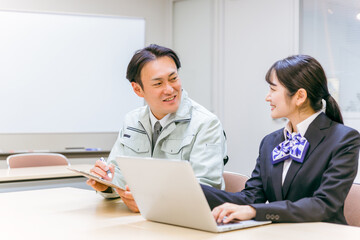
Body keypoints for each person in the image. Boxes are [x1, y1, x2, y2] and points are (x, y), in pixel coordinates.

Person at [201, 55, 360, 225]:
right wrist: (195, 190)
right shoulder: (270, 142)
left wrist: (255, 211)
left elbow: (323, 205)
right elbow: (251, 198)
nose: (267, 97)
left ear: (300, 96)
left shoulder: (344, 139)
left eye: (273, 89)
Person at [87, 44, 227, 212]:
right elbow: (118, 174)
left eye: (173, 79)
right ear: (138, 89)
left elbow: (206, 190)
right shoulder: (132, 120)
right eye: (158, 83)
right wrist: (106, 183)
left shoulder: (206, 124)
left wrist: (150, 203)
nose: (169, 89)